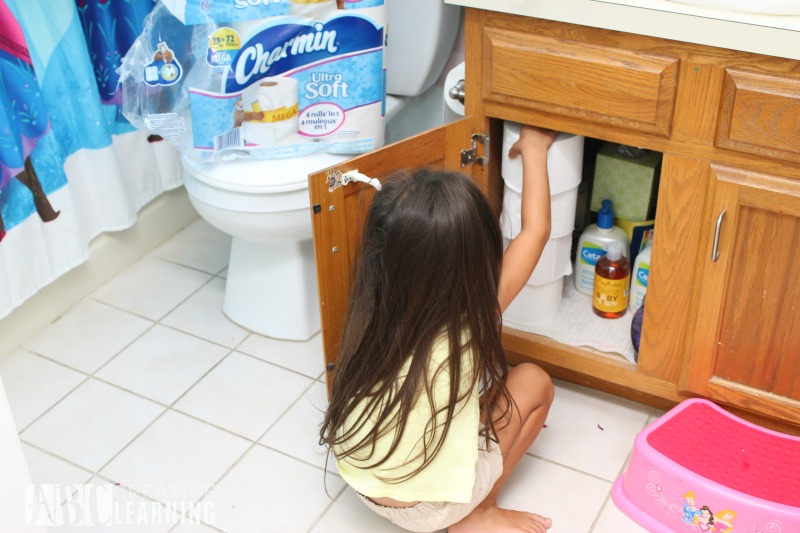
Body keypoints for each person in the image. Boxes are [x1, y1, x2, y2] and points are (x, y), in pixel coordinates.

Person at [319, 125, 557, 533]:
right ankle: (479, 512)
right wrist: (534, 147)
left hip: (360, 482)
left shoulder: (370, 306)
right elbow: (536, 232)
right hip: (428, 510)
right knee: (534, 381)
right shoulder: (473, 314)